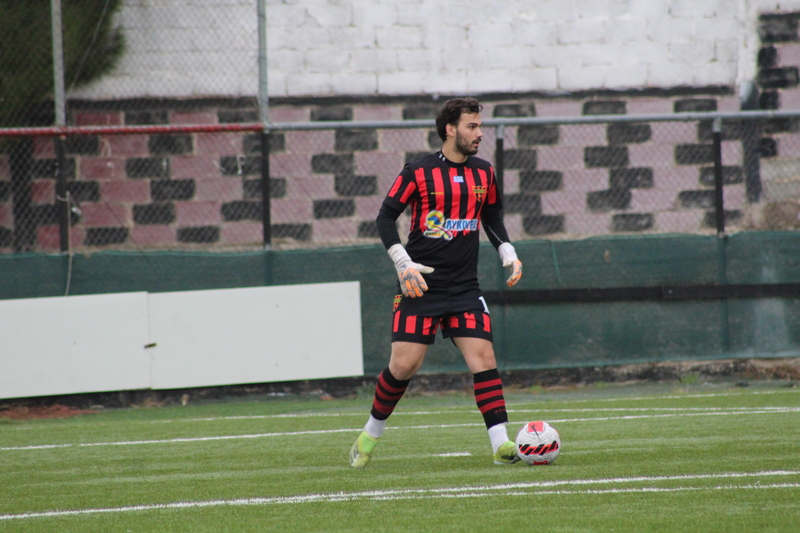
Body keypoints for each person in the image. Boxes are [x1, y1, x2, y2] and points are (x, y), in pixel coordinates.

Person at [349, 97, 524, 467]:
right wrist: (403, 263)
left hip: (464, 287)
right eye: (472, 126)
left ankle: (501, 444)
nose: (479, 133)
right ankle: (369, 434)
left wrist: (507, 250)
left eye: (480, 126)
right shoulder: (418, 171)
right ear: (450, 129)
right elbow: (385, 217)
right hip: (420, 286)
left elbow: (492, 217)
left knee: (484, 358)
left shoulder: (484, 172)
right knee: (403, 367)